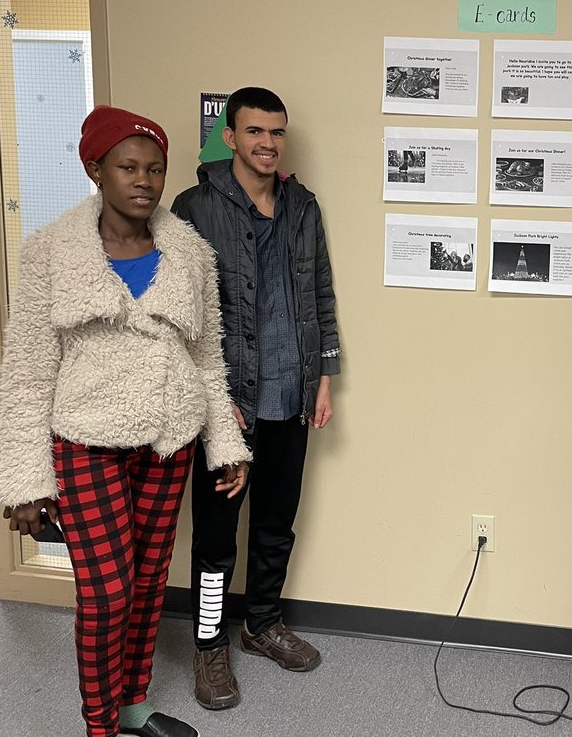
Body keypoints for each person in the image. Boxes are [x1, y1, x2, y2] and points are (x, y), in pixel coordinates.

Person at [0, 105, 251, 737]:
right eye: (128, 167)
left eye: (155, 169)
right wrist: (26, 482)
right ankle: (100, 725)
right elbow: (26, 372)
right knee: (107, 594)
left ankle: (134, 704)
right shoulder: (50, 253)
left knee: (146, 583)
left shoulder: (190, 254)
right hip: (86, 442)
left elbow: (208, 358)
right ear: (96, 170)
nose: (144, 180)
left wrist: (226, 443)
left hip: (169, 441)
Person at [171, 87, 341, 711]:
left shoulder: (302, 206)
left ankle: (262, 623)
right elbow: (179, 313)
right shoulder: (192, 207)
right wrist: (210, 397)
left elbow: (320, 292)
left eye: (277, 133)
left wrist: (323, 378)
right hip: (226, 403)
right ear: (231, 136)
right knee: (218, 537)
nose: (267, 143)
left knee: (275, 523)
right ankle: (210, 641)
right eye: (255, 132)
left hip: (290, 396)